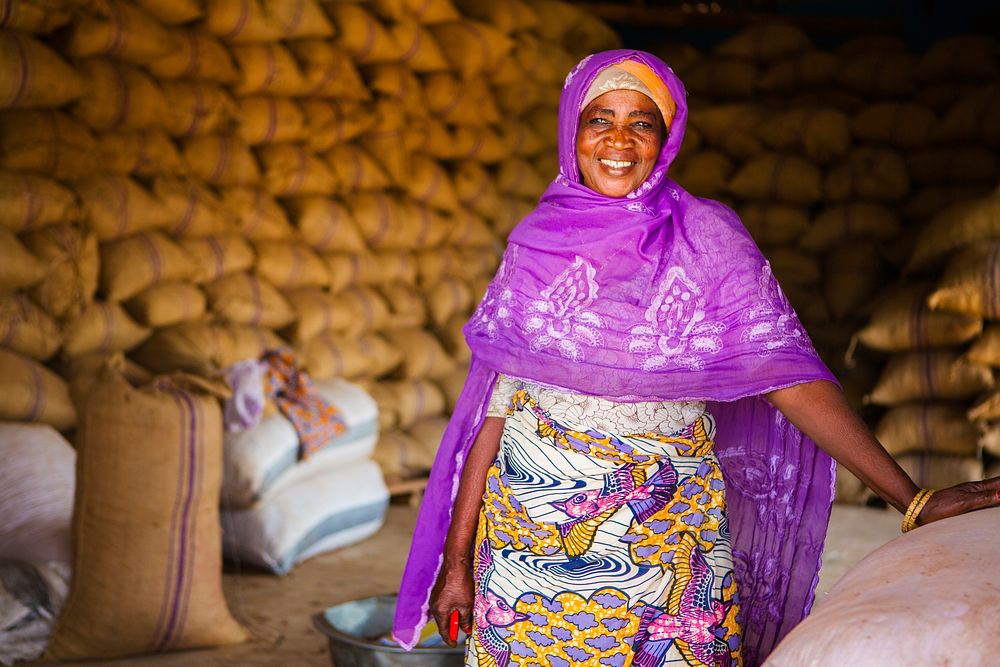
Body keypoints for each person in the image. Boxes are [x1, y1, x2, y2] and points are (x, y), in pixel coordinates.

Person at [392, 50, 1000, 667]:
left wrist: (912, 498)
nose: (619, 140)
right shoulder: (536, 240)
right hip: (529, 547)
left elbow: (788, 377)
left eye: (643, 122)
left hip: (667, 544)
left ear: (668, 136)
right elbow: (494, 414)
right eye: (599, 119)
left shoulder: (706, 236)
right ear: (571, 130)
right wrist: (458, 562)